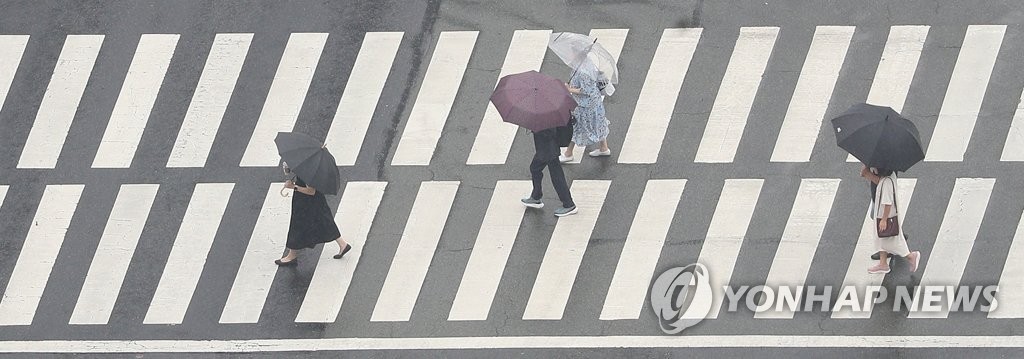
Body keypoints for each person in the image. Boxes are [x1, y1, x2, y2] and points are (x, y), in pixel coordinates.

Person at [275, 177, 352, 266]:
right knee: (325, 222)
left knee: (297, 226)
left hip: (306, 203)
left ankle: (292, 255)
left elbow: (311, 191)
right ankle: (343, 244)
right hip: (316, 200)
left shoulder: (306, 171)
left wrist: (293, 187)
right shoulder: (311, 170)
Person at [860, 166, 921, 274]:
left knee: (892, 242)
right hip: (882, 212)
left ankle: (911, 256)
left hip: (886, 215)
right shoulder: (888, 176)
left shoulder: (887, 182)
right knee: (882, 238)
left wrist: (883, 219)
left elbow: (887, 202)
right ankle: (883, 264)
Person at [560, 64, 611, 162]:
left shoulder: (583, 71)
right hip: (594, 103)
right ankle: (603, 148)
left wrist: (569, 89)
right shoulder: (586, 65)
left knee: (576, 128)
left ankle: (568, 154)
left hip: (585, 106)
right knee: (599, 124)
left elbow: (586, 90)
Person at [522, 127, 577, 217]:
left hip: (548, 148)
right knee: (535, 168)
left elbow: (548, 132)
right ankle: (536, 196)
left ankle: (569, 204)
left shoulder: (544, 119)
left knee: (556, 176)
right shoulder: (548, 115)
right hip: (546, 148)